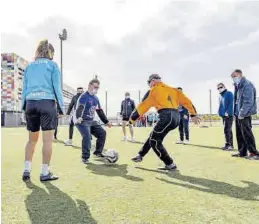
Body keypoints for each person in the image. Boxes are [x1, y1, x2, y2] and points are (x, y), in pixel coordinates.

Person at [130, 74, 200, 170]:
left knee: (154, 141)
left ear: (153, 81)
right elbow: (187, 101)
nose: (149, 85)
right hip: (176, 117)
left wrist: (131, 120)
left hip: (166, 116)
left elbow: (142, 106)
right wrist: (193, 114)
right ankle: (140, 155)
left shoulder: (153, 90)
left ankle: (170, 164)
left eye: (149, 83)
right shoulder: (174, 90)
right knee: (153, 136)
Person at [21, 39, 64, 182]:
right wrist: (62, 107)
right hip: (47, 103)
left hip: (30, 103)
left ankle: (26, 170)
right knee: (47, 141)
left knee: (31, 140)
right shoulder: (52, 65)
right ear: (51, 52)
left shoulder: (29, 66)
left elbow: (25, 89)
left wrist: (24, 106)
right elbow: (57, 88)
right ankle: (44, 173)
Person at [74, 78, 112, 164]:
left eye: (98, 87)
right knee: (87, 137)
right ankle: (85, 157)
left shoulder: (96, 98)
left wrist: (106, 122)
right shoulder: (83, 96)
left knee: (102, 133)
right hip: (81, 121)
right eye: (95, 87)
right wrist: (79, 117)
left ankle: (98, 152)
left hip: (91, 121)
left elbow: (99, 111)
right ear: (89, 86)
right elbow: (80, 108)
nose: (96, 89)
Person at [231, 69, 259, 160]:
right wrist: (236, 113)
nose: (233, 78)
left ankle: (254, 153)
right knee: (239, 134)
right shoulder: (237, 85)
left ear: (239, 75)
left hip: (244, 114)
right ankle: (242, 152)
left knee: (247, 134)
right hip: (237, 114)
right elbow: (236, 100)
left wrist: (242, 113)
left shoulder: (247, 85)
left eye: (234, 76)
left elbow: (248, 101)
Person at [217, 83, 234, 150]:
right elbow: (221, 106)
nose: (219, 89)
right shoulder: (220, 96)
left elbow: (231, 103)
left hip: (228, 115)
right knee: (228, 130)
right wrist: (219, 113)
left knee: (227, 130)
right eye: (218, 88)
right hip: (224, 116)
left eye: (220, 87)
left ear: (224, 87)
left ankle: (228, 145)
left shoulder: (229, 93)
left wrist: (228, 112)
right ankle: (230, 145)